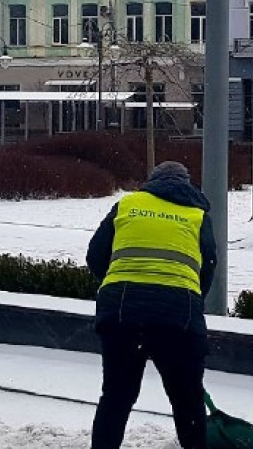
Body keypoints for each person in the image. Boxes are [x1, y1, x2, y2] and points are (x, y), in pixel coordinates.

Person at [87, 160, 218, 449]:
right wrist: (192, 300)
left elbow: (95, 255)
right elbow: (208, 266)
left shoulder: (128, 204)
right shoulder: (197, 215)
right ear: (187, 184)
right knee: (187, 400)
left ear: (152, 181)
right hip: (179, 318)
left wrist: (118, 283)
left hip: (121, 315)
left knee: (116, 398)